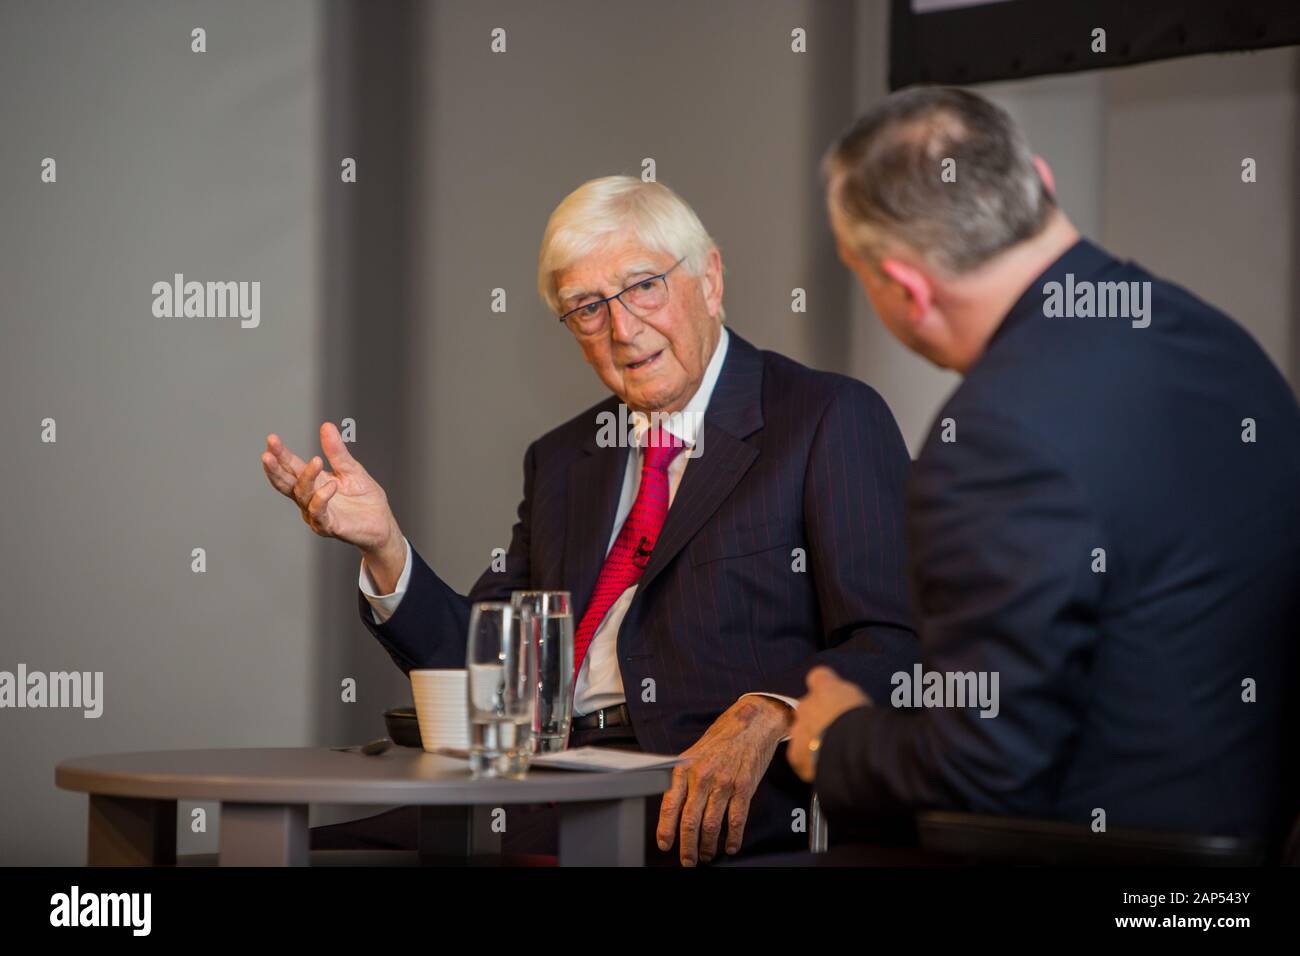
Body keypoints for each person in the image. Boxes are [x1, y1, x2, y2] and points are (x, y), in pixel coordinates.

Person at [262, 175, 917, 864]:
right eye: (587, 307)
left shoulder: (823, 419)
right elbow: (486, 668)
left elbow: (895, 643)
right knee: (288, 855)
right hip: (538, 786)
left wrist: (768, 711)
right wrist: (387, 549)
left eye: (643, 287)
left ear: (711, 278)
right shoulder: (564, 459)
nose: (623, 329)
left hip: (703, 802)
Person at [788, 87, 1300, 846]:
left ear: (904, 289)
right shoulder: (1218, 341)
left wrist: (840, 740)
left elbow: (987, 767)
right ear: (1042, 181)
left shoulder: (992, 440)